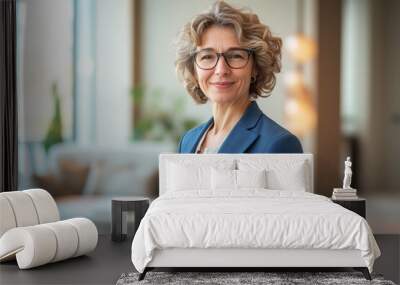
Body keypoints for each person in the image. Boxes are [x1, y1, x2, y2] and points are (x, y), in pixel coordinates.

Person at [175, 1, 303, 154]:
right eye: (207, 56)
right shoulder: (188, 141)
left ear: (255, 68)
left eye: (235, 56)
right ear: (194, 70)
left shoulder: (280, 144)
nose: (221, 70)